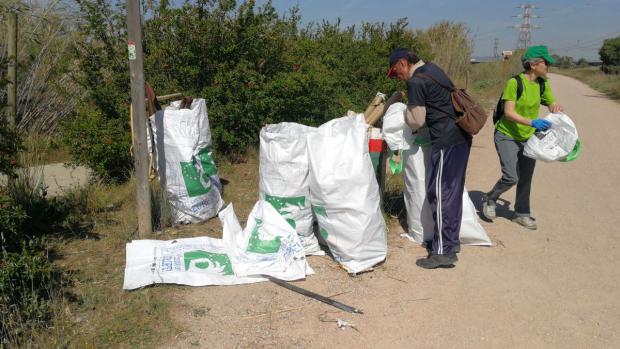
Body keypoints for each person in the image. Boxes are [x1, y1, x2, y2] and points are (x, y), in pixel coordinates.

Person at [387, 48, 471, 269]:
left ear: (403, 63)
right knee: (451, 193)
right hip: (461, 137)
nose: (398, 77)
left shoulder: (415, 82)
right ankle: (451, 243)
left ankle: (443, 252)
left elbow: (416, 121)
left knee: (441, 194)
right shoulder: (432, 69)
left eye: (396, 72)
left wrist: (403, 112)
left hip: (446, 141)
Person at [482, 45, 564, 229]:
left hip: (528, 138)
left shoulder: (543, 83)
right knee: (511, 176)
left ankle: (521, 213)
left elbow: (551, 102)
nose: (548, 66)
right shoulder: (515, 83)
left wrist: (555, 108)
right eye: (546, 63)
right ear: (533, 65)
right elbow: (509, 113)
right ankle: (490, 198)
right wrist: (533, 122)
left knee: (526, 176)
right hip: (507, 135)